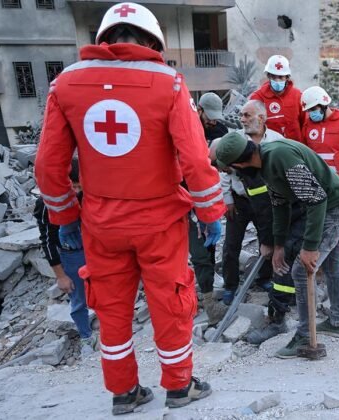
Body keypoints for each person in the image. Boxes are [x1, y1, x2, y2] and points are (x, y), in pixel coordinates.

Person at [34, 3, 226, 414]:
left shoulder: (65, 84)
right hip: (160, 223)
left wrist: (64, 218)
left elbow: (49, 166)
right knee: (170, 301)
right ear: (153, 41)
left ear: (104, 38)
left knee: (112, 307)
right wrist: (211, 214)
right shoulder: (169, 83)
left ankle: (124, 393)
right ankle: (180, 387)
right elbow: (195, 159)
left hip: (101, 224)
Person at [213, 131, 339, 358]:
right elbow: (280, 205)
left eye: (231, 168)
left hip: (335, 207)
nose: (232, 173)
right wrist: (278, 245)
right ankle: (337, 323)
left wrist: (310, 247)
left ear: (240, 163)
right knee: (331, 265)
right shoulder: (265, 164)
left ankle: (305, 338)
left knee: (301, 270)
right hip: (332, 205)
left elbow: (316, 198)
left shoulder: (279, 157)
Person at [300, 86, 339, 285]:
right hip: (317, 187)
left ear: (324, 105)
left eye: (313, 109)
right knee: (317, 226)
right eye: (309, 111)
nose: (311, 114)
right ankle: (317, 267)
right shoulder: (308, 125)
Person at [35, 158, 96, 355]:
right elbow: (48, 240)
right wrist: (61, 275)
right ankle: (87, 336)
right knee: (78, 298)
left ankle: (114, 332)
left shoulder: (91, 194)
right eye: (73, 186)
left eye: (80, 186)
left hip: (96, 249)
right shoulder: (47, 203)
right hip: (72, 255)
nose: (77, 191)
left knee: (105, 292)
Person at [217, 100, 275, 305]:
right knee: (232, 244)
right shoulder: (233, 140)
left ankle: (264, 278)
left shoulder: (276, 140)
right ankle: (230, 285)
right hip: (239, 201)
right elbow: (224, 173)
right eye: (241, 115)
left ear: (261, 117)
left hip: (266, 203)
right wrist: (228, 200)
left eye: (247, 115)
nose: (242, 119)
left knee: (267, 240)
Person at [191, 91, 229, 325]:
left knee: (209, 247)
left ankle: (207, 289)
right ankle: (205, 300)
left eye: (216, 117)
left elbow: (221, 167)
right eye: (209, 117)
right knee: (197, 251)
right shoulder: (186, 128)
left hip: (208, 196)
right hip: (185, 198)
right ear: (200, 110)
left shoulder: (219, 131)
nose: (213, 122)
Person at [249, 55, 305, 142]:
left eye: (281, 77)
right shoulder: (257, 98)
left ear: (287, 77)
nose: (277, 81)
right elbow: (252, 127)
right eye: (274, 77)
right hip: (268, 149)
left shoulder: (298, 96)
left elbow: (305, 124)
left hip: (295, 148)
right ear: (268, 76)